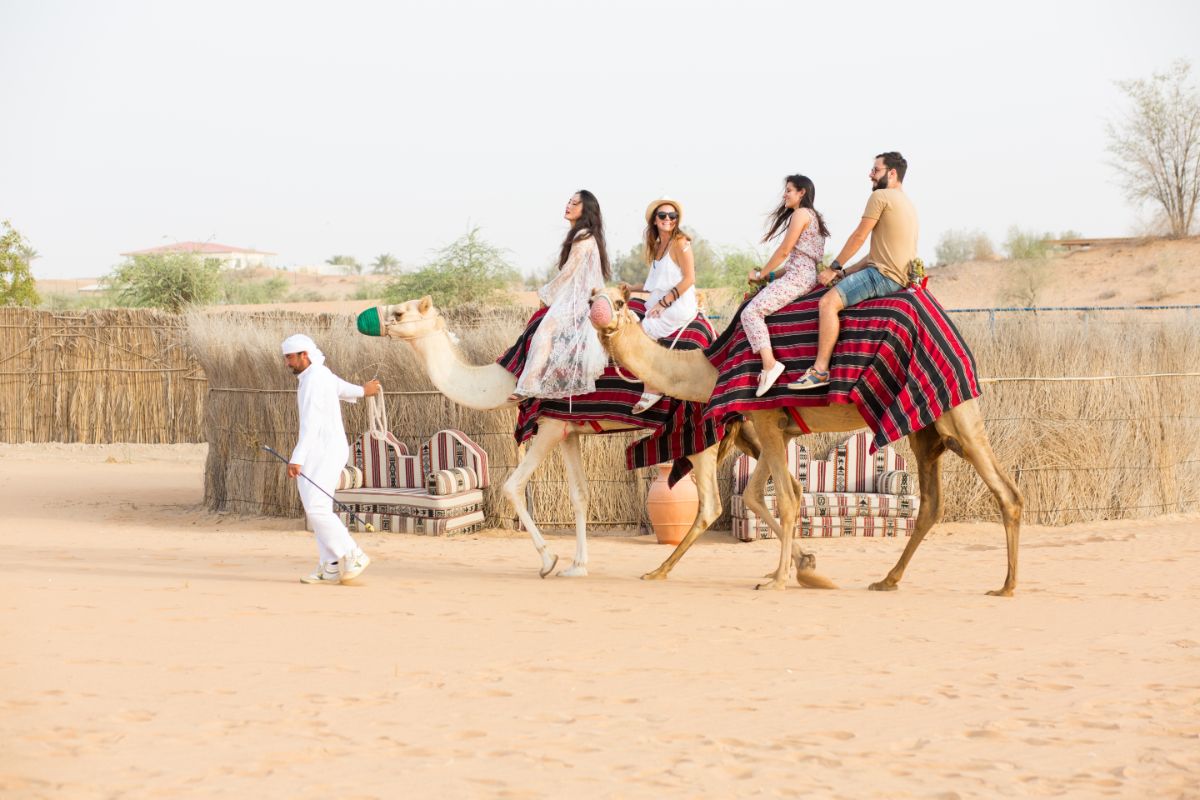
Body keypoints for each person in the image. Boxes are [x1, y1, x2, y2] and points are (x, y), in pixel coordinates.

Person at [790, 151, 917, 390]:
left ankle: (819, 371)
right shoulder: (907, 203)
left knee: (827, 303)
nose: (870, 174)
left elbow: (859, 236)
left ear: (891, 173)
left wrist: (832, 268)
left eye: (875, 170)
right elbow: (874, 254)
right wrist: (845, 272)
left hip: (882, 276)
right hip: (896, 275)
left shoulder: (881, 196)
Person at [282, 334, 381, 584]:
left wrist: (297, 458)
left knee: (316, 508)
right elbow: (341, 387)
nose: (287, 363)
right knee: (318, 509)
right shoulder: (319, 375)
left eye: (290, 358)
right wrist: (363, 391)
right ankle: (331, 566)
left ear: (304, 355)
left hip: (324, 450)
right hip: (319, 450)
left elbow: (311, 424)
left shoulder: (315, 379)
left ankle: (352, 553)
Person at [511, 190, 610, 401]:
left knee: (544, 332)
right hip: (577, 298)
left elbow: (568, 273)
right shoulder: (583, 235)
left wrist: (545, 294)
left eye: (575, 203)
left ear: (586, 210)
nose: (569, 205)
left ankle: (530, 382)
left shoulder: (583, 237)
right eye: (569, 201)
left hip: (579, 301)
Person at [740, 174, 829, 396]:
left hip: (797, 278)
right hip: (801, 274)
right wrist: (770, 277)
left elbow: (784, 251)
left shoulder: (800, 214)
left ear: (802, 193)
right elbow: (796, 260)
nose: (784, 194)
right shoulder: (813, 216)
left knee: (751, 313)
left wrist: (761, 273)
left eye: (789, 190)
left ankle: (769, 364)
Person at [624, 197, 698, 413]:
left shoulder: (680, 243)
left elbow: (689, 278)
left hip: (678, 305)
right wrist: (631, 287)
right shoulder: (659, 246)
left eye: (672, 216)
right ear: (655, 220)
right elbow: (654, 285)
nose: (668, 219)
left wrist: (664, 304)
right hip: (662, 302)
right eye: (663, 215)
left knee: (639, 335)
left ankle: (653, 386)